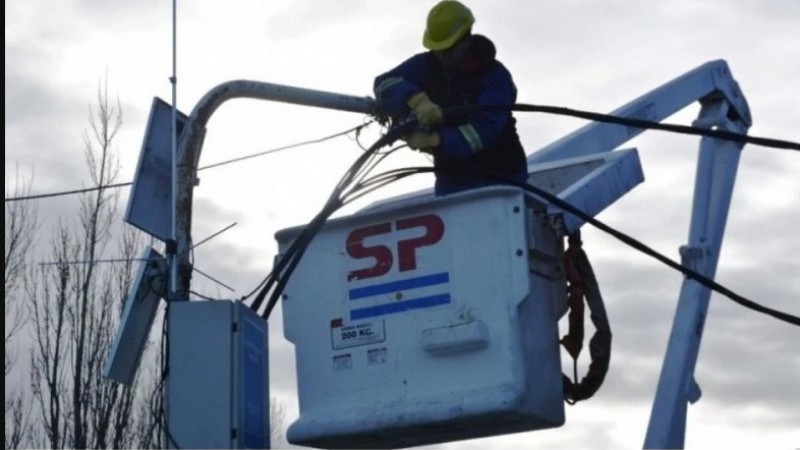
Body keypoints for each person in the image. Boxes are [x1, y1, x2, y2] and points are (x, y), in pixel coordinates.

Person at [374, 0, 528, 196]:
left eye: (447, 50)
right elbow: (384, 84)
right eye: (437, 49)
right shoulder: (428, 64)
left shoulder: (495, 78)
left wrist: (436, 140)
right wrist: (415, 99)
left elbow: (481, 133)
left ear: (466, 41)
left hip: (500, 180)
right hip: (452, 180)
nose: (441, 56)